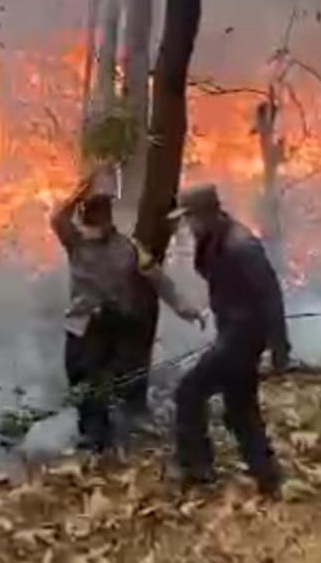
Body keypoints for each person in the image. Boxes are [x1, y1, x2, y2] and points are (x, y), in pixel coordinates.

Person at [51, 176, 203, 452]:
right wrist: (78, 194)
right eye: (91, 219)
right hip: (82, 324)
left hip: (115, 326)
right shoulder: (76, 243)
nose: (95, 226)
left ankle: (115, 434)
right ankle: (92, 436)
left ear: (110, 220)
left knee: (113, 381)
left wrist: (185, 307)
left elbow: (158, 278)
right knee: (81, 381)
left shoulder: (130, 248)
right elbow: (57, 219)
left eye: (101, 218)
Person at [167, 183, 289, 496]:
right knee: (240, 408)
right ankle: (267, 475)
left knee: (189, 392)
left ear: (206, 213)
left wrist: (279, 348)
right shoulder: (214, 238)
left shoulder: (241, 245)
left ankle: (198, 469)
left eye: (190, 218)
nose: (187, 226)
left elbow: (270, 296)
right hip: (233, 332)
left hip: (242, 337)